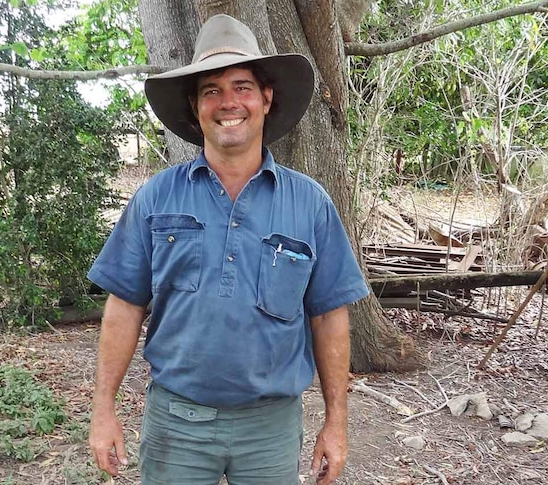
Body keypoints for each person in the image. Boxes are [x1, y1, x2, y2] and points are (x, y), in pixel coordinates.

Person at [87, 14, 369, 485]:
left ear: (266, 99)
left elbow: (328, 316)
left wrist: (336, 423)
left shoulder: (310, 203)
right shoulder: (157, 197)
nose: (228, 103)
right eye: (212, 90)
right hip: (176, 423)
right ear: (196, 107)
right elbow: (124, 305)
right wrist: (103, 410)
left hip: (271, 429)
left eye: (242, 86)